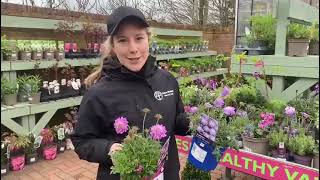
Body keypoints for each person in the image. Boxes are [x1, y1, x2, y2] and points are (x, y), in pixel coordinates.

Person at [71, 6, 190, 180]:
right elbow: (81, 141)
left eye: (139, 38)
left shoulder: (167, 80)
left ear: (148, 39)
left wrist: (195, 123)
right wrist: (109, 149)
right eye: (123, 40)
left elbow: (177, 122)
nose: (133, 49)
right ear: (113, 46)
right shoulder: (98, 93)